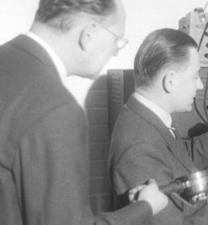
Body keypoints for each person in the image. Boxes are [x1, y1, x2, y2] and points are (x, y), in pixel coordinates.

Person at [0, 0, 168, 225]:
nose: (116, 52)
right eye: (117, 39)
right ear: (89, 33)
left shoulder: (8, 60)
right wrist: (146, 207)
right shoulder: (57, 109)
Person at [108, 28, 208, 225]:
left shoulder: (149, 117)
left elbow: (178, 160)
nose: (200, 85)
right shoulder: (139, 147)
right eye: (195, 76)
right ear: (171, 81)